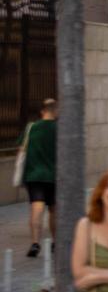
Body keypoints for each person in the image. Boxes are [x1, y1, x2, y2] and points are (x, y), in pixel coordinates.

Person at [20, 98, 57, 257]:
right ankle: (56, 242)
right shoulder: (60, 129)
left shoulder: (31, 128)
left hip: (34, 175)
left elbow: (22, 148)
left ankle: (35, 243)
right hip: (54, 176)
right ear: (56, 111)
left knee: (37, 207)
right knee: (54, 210)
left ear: (42, 111)